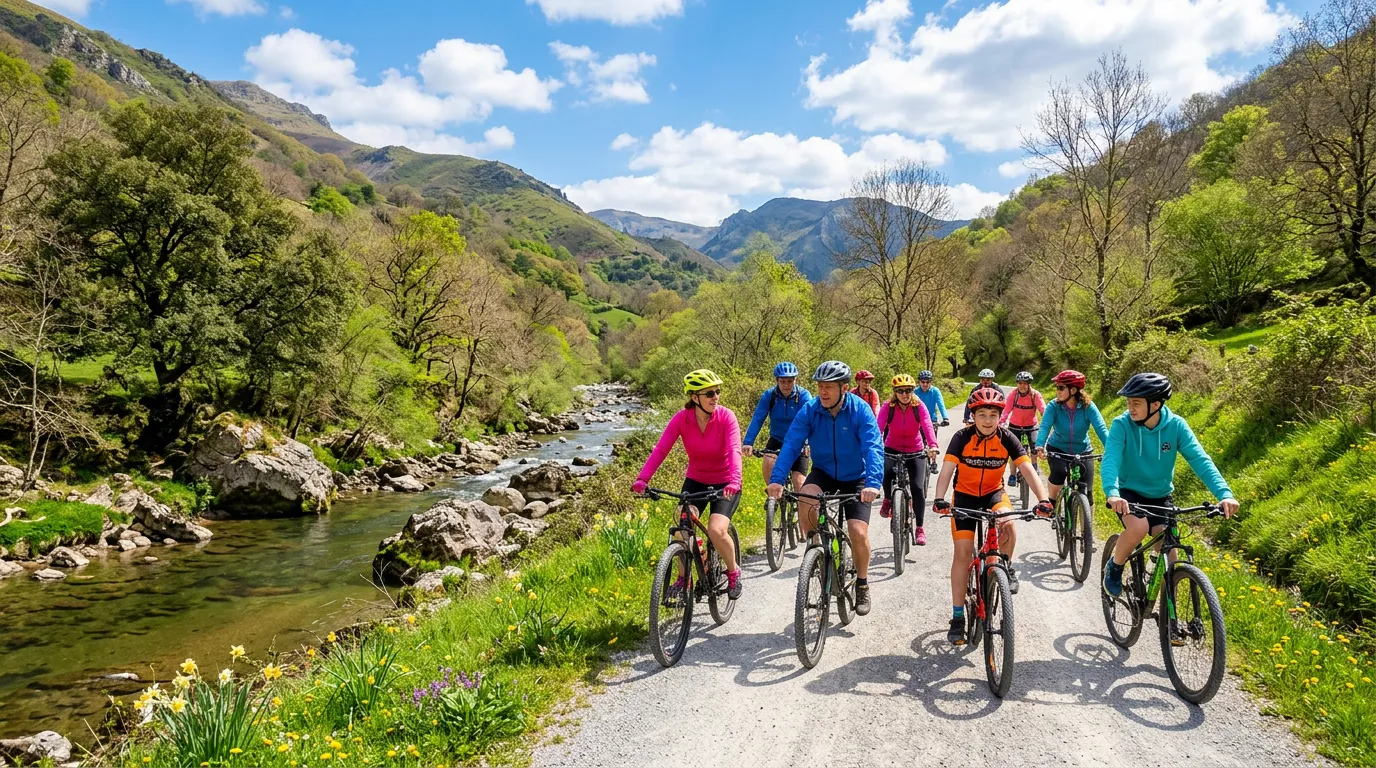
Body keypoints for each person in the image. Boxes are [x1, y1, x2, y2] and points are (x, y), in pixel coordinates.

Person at [1101, 373, 1239, 611]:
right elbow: (1111, 459)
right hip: (1129, 493)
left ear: (1155, 404)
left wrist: (1224, 494)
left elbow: (1200, 460)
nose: (1130, 408)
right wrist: (1113, 493)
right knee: (1138, 528)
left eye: (1136, 403)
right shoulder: (1121, 425)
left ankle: (1168, 618)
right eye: (1129, 402)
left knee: (1171, 557)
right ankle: (1115, 566)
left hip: (1161, 495)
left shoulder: (1176, 426)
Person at [932, 388, 1052, 644]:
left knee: (1008, 524)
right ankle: (957, 618)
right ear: (973, 416)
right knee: (963, 553)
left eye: (993, 415)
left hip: (994, 494)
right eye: (982, 415)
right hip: (964, 497)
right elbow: (947, 470)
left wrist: (1044, 500)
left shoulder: (1007, 437)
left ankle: (1005, 567)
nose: (988, 420)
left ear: (1000, 416)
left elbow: (1028, 469)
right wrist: (939, 498)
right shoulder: (961, 437)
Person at [767, 361, 885, 615]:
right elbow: (791, 444)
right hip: (824, 472)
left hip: (856, 476)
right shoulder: (811, 409)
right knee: (806, 497)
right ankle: (815, 547)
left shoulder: (860, 410)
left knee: (857, 532)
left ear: (844, 388)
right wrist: (777, 479)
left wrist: (873, 483)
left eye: (829, 387)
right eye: (820, 386)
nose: (823, 392)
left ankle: (862, 583)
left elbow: (873, 447)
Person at [632, 369, 745, 599]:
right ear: (694, 397)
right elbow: (661, 449)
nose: (716, 397)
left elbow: (735, 449)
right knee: (682, 527)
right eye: (710, 393)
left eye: (717, 392)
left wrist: (735, 480)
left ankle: (733, 572)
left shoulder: (726, 417)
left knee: (716, 529)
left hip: (726, 482)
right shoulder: (681, 419)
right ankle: (684, 578)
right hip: (696, 480)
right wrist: (643, 478)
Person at [877, 374, 939, 546]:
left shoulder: (918, 406)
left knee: (917, 488)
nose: (905, 394)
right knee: (885, 471)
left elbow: (927, 425)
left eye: (908, 390)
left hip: (915, 450)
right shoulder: (888, 407)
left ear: (912, 391)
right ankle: (888, 499)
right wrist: (874, 446)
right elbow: (878, 428)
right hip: (892, 447)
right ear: (895, 392)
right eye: (901, 391)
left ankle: (919, 528)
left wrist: (933, 445)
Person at [1035, 370, 1109, 511]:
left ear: (1073, 390)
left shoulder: (1088, 407)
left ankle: (1087, 524)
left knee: (1088, 493)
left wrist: (1111, 449)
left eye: (1061, 388)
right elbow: (1045, 426)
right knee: (1059, 472)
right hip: (1057, 448)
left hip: (1083, 450)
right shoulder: (1054, 406)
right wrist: (1040, 446)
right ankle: (1052, 504)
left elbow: (1101, 428)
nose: (1057, 391)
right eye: (1057, 387)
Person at [742, 362, 812, 494]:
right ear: (776, 381)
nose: (786, 385)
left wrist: (809, 443)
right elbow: (758, 418)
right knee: (769, 466)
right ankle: (774, 498)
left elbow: (810, 421)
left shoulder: (804, 396)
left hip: (799, 442)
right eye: (782, 381)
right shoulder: (770, 396)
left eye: (790, 381)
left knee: (799, 484)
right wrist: (748, 442)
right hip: (777, 439)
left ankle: (799, 503)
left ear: (795, 380)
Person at [1000, 371, 1046, 486]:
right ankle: (1012, 474)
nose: (1022, 386)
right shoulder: (1013, 395)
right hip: (1014, 425)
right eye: (1020, 383)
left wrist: (1047, 423)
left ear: (1029, 384)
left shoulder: (1035, 395)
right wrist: (1000, 422)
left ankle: (1034, 466)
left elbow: (1043, 410)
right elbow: (1006, 411)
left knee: (1035, 445)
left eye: (1025, 383)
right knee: (1013, 450)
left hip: (1031, 425)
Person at [915, 370, 950, 434]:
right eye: (923, 382)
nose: (925, 384)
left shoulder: (935, 391)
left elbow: (941, 405)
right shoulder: (915, 392)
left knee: (932, 439)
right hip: (918, 421)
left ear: (931, 382)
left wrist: (945, 418)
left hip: (932, 420)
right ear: (919, 382)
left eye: (928, 382)